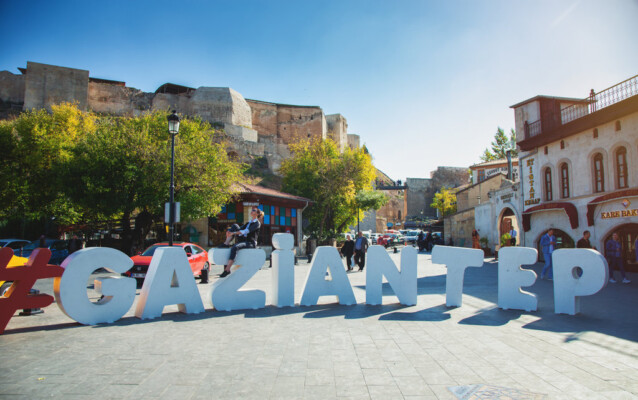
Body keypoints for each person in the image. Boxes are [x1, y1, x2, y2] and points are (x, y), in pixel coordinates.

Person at [219, 208, 264, 278]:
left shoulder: (257, 223)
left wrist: (233, 233)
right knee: (235, 226)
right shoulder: (249, 223)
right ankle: (226, 243)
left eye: (253, 210)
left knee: (235, 247)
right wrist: (229, 231)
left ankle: (227, 269)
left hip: (250, 242)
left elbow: (245, 231)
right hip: (244, 239)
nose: (251, 211)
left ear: (257, 214)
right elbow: (240, 229)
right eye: (252, 210)